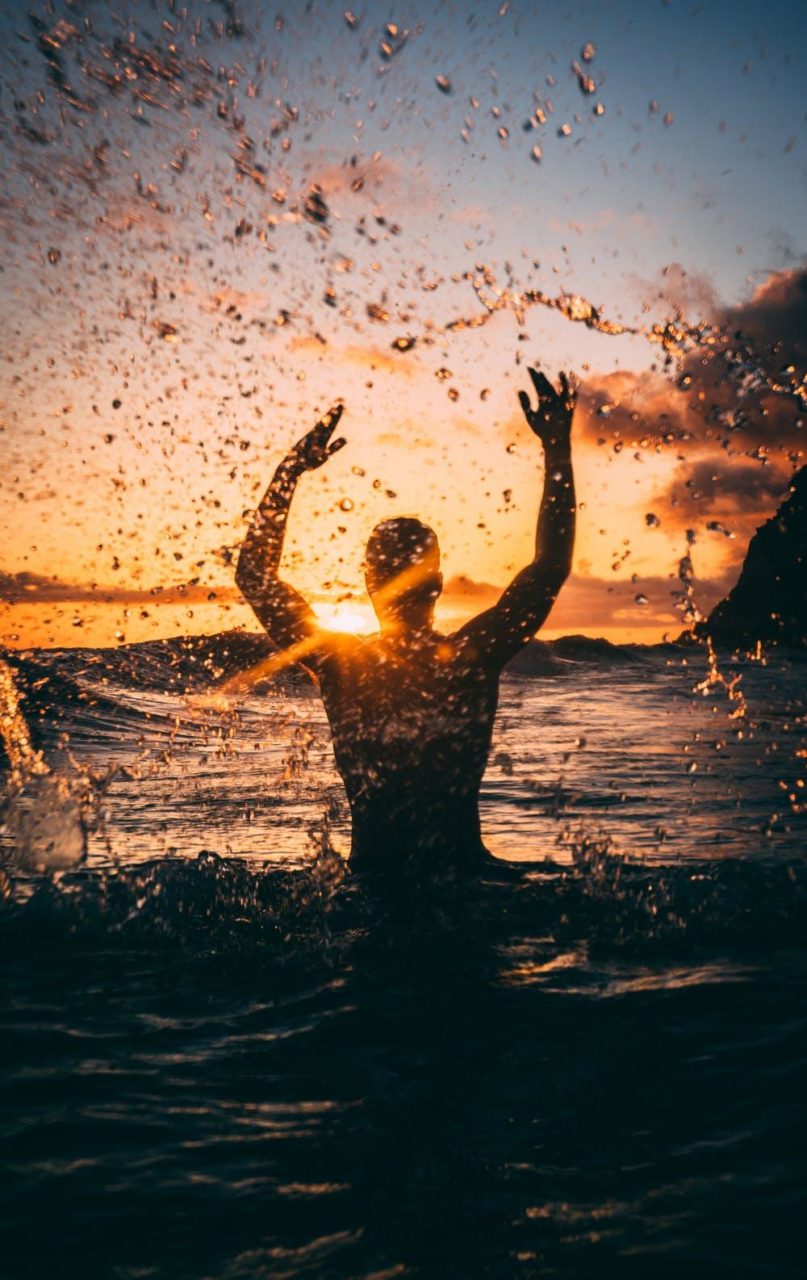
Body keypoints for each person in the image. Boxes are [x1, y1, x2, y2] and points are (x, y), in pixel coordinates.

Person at [235, 368, 576, 878]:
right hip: (467, 879)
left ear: (369, 583)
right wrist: (557, 450)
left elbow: (254, 573)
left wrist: (290, 472)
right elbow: (549, 566)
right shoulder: (471, 656)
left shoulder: (340, 665)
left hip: (374, 883)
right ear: (438, 583)